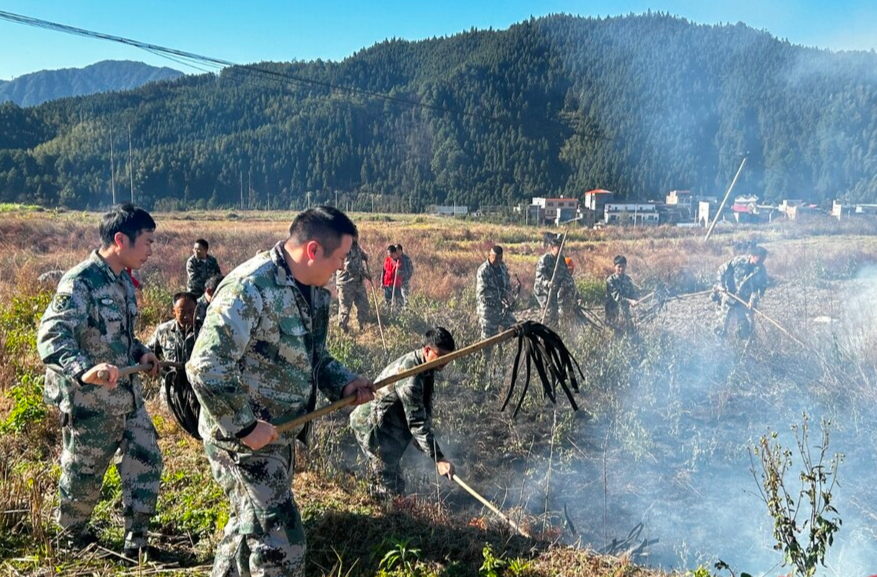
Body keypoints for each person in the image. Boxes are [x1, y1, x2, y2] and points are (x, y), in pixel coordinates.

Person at [186, 206, 375, 577]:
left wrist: (345, 382)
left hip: (276, 435)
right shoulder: (251, 287)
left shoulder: (315, 294)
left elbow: (313, 358)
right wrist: (244, 426)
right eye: (339, 259)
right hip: (239, 440)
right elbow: (205, 366)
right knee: (281, 541)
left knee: (248, 523)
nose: (341, 269)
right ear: (314, 250)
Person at [36, 203, 162, 559]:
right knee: (84, 476)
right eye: (147, 242)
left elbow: (120, 337)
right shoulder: (82, 281)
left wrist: (141, 354)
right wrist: (82, 369)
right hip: (91, 404)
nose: (151, 251)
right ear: (120, 240)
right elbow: (52, 335)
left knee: (146, 460)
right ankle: (70, 541)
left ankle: (137, 545)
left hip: (128, 399)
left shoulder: (123, 281)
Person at [350, 327, 457, 497]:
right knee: (389, 488)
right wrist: (439, 458)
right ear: (427, 350)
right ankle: (373, 509)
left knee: (392, 480)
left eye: (448, 357)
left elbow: (424, 402)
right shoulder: (411, 376)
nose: (445, 362)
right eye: (441, 356)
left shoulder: (427, 364)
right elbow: (416, 421)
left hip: (386, 424)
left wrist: (423, 439)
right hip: (371, 428)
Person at [146, 291, 197, 405]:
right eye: (182, 312)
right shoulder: (163, 331)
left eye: (190, 311)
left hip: (197, 394)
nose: (187, 316)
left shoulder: (205, 330)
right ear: (174, 311)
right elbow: (147, 351)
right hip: (171, 394)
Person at [713, 245, 768, 339]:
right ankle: (718, 347)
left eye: (763, 260)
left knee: (743, 328)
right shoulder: (738, 261)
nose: (760, 263)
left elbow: (761, 288)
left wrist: (753, 300)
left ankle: (740, 347)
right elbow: (721, 270)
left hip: (743, 301)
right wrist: (720, 286)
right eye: (759, 260)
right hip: (728, 296)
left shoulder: (760, 270)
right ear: (752, 256)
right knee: (721, 326)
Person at [533, 233, 577, 327]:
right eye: (559, 248)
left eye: (562, 247)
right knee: (550, 315)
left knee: (561, 314)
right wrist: (547, 283)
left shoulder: (561, 260)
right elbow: (539, 277)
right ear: (553, 247)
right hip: (544, 292)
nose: (561, 250)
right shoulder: (545, 259)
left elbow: (567, 276)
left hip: (556, 292)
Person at [476, 245, 516, 342]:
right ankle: (487, 357)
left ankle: (503, 352)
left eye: (500, 258)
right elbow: (482, 293)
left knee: (512, 327)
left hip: (502, 308)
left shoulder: (502, 267)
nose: (497, 260)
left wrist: (508, 295)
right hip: (488, 309)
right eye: (495, 258)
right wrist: (498, 300)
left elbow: (507, 283)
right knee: (488, 339)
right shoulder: (483, 270)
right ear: (489, 255)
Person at [336, 240, 371, 333]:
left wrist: (364, 256)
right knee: (345, 309)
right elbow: (349, 267)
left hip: (358, 282)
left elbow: (360, 256)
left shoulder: (356, 246)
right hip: (346, 283)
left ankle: (364, 326)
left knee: (363, 305)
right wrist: (363, 273)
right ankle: (342, 330)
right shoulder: (344, 247)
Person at [605, 255, 638, 335]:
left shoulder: (628, 279)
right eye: (619, 266)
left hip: (625, 312)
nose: (621, 269)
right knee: (614, 334)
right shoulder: (610, 280)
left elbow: (632, 293)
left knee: (629, 333)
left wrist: (635, 300)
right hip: (613, 312)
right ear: (614, 267)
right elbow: (617, 297)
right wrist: (630, 301)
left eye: (623, 266)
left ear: (625, 266)